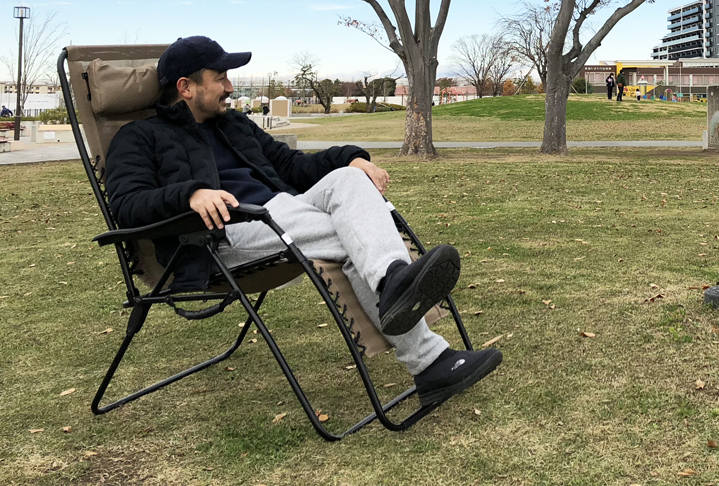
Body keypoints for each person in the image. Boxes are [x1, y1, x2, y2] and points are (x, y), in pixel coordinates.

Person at [105, 36, 500, 407]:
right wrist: (189, 194)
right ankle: (429, 359)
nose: (230, 86)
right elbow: (127, 204)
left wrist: (351, 158)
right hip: (220, 237)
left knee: (348, 180)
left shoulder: (235, 126)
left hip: (285, 215)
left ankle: (394, 280)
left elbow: (292, 166)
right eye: (220, 78)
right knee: (352, 236)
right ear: (186, 87)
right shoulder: (139, 137)